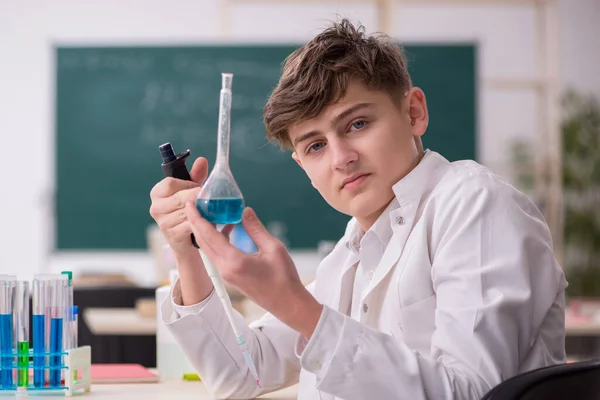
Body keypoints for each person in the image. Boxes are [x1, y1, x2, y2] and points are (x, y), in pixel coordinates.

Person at [150, 19, 567, 400]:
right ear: (302, 166)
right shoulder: (354, 249)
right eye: (315, 145)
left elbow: (473, 393)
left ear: (414, 112)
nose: (341, 158)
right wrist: (189, 251)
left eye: (357, 124)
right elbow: (242, 372)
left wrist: (296, 307)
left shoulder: (474, 205)